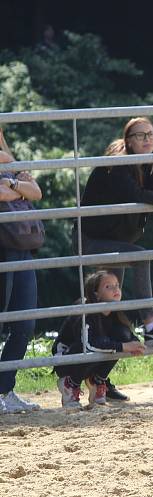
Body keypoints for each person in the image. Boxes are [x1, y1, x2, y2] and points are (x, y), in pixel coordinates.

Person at [75, 117, 153, 398]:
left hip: (116, 242)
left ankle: (98, 378)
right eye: (141, 135)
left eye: (152, 134)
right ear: (128, 140)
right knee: (138, 262)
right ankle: (152, 326)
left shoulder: (150, 165)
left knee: (114, 309)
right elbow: (140, 195)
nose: (148, 139)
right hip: (92, 240)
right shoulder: (117, 165)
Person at [53, 271, 145, 410]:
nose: (116, 290)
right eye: (109, 287)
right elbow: (90, 344)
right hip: (67, 361)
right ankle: (70, 383)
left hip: (92, 354)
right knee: (102, 344)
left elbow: (126, 336)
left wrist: (135, 344)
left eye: (117, 285)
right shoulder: (86, 310)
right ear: (96, 293)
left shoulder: (115, 311)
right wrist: (124, 346)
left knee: (122, 337)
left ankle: (97, 380)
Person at [0, 128, 42, 414]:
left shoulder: (7, 159)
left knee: (25, 322)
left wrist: (12, 185)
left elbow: (35, 191)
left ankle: (5, 388)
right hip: (3, 245)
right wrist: (17, 186)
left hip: (20, 244)